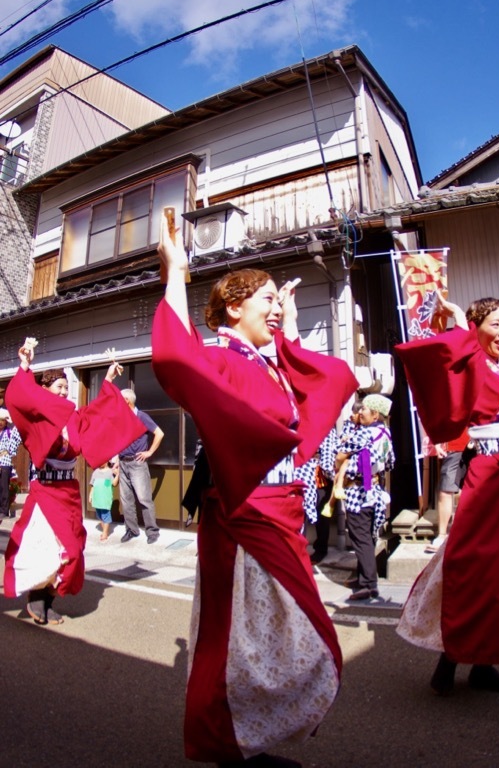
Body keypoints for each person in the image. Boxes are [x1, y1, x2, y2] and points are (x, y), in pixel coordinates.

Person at [154, 221, 358, 767]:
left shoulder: (270, 365)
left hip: (281, 514)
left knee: (278, 639)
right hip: (243, 518)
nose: (276, 307)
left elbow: (333, 379)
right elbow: (174, 359)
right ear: (233, 306)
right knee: (237, 642)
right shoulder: (221, 357)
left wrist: (288, 331)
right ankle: (229, 743)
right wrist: (175, 272)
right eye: (267, 299)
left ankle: (247, 735)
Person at [396, 294, 499, 696]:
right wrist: (460, 325)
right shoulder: (472, 363)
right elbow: (437, 359)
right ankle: (450, 658)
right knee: (474, 566)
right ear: (478, 329)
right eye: (495, 325)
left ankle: (484, 664)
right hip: (488, 473)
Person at [4, 343, 145, 625]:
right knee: (47, 547)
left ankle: (49, 598)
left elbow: (96, 414)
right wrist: (24, 367)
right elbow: (20, 396)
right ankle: (36, 598)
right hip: (45, 492)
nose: (64, 391)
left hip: (68, 492)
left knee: (72, 549)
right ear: (44, 391)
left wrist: (106, 380)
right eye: (58, 387)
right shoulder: (39, 419)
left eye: (65, 387)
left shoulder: (73, 417)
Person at [334, 394, 395, 601]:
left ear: (375, 414)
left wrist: (346, 453)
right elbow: (390, 463)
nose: (360, 413)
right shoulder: (385, 433)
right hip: (373, 490)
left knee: (360, 538)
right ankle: (363, 577)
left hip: (358, 492)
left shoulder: (365, 434)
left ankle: (369, 584)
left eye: (364, 410)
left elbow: (339, 454)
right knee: (366, 536)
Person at [118, 390, 164, 544]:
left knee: (144, 499)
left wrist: (149, 452)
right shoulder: (121, 418)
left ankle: (152, 531)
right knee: (126, 500)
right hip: (122, 462)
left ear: (127, 401)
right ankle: (131, 530)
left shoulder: (141, 417)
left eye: (119, 399)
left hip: (137, 463)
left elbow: (159, 433)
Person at [294, 428, 337, 564]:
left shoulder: (327, 428)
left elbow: (328, 457)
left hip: (318, 475)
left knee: (320, 513)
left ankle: (320, 549)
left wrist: (331, 475)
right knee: (301, 513)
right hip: (300, 470)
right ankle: (299, 549)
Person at [425, 431, 469, 553]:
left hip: (482, 442)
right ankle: (442, 534)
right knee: (445, 489)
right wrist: (437, 442)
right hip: (455, 442)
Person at [89, 460, 119, 541]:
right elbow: (93, 485)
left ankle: (105, 533)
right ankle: (104, 530)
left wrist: (117, 475)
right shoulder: (95, 472)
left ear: (106, 461)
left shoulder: (110, 472)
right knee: (99, 515)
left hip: (105, 498)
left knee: (105, 515)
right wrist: (90, 495)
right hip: (97, 498)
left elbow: (114, 484)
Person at [0, 408, 21, 521]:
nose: (0, 423)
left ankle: (4, 510)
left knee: (4, 486)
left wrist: (13, 419)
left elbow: (18, 432)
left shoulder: (9, 432)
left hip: (5, 461)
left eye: (2, 420)